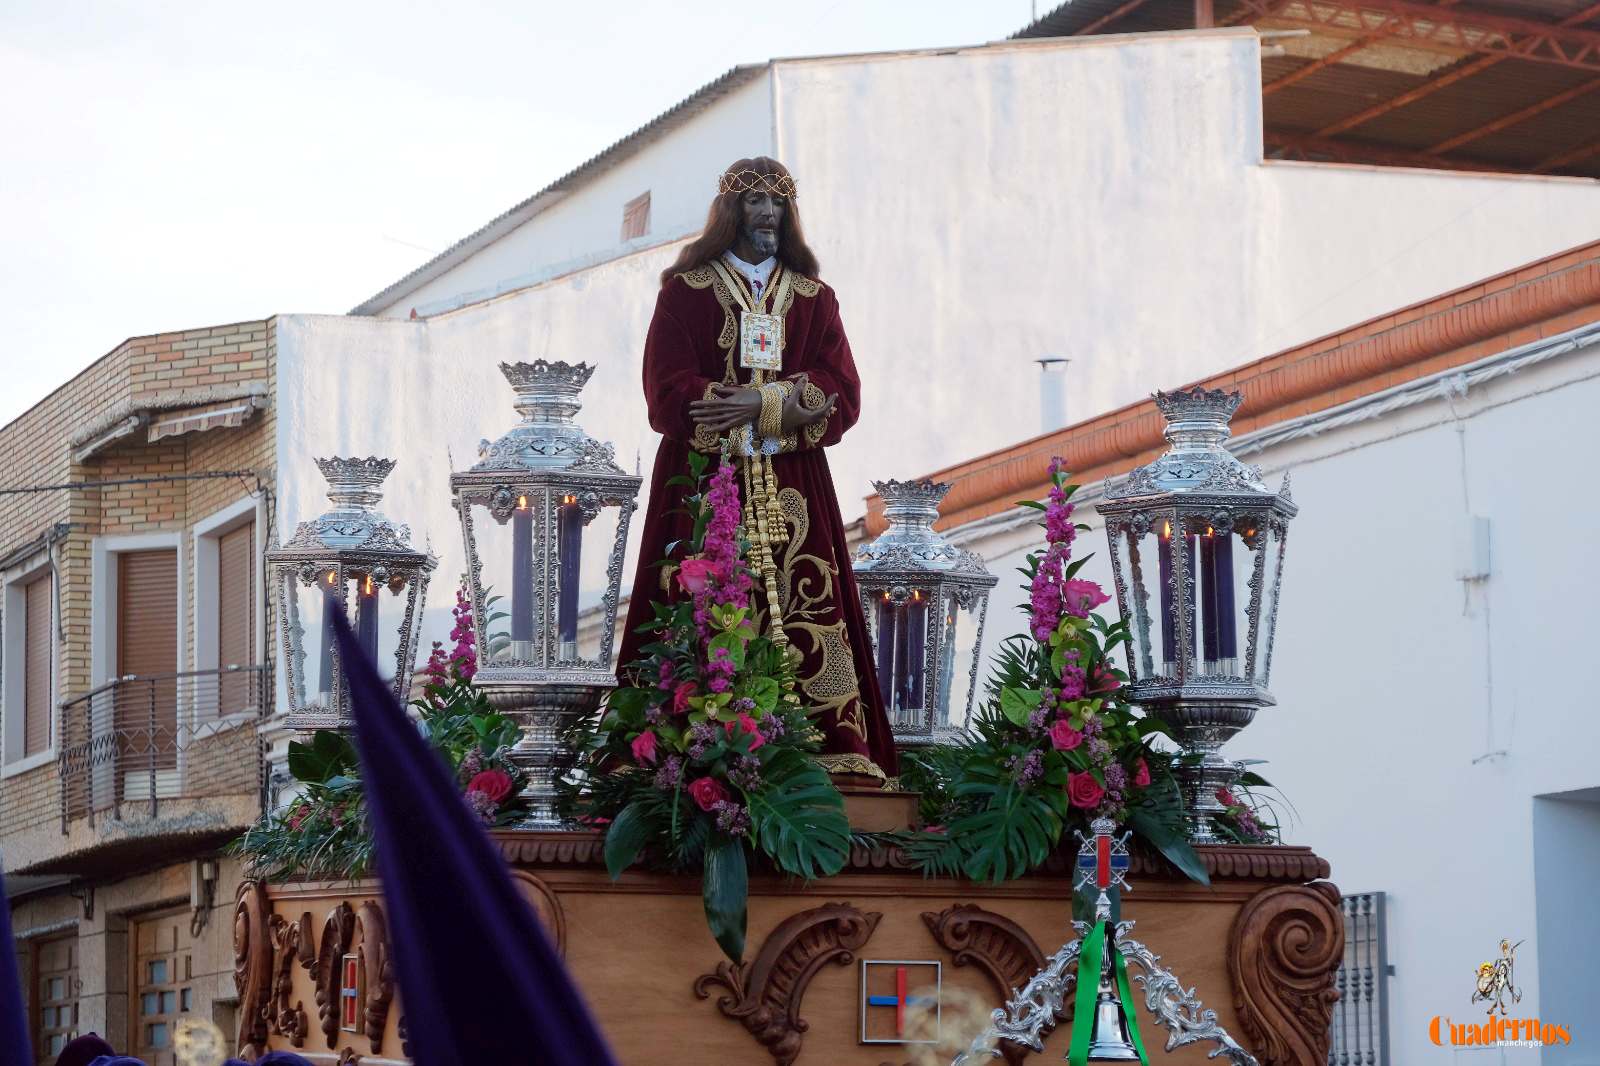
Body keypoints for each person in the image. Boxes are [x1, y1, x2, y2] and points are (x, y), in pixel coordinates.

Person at [619, 155, 899, 778]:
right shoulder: (685, 292)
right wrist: (736, 404)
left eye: (776, 202)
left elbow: (842, 388)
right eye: (753, 201)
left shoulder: (813, 299)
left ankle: (830, 757)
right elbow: (665, 388)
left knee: (811, 603)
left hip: (794, 481)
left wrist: (767, 402)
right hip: (703, 478)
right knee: (695, 600)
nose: (766, 212)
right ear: (730, 213)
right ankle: (678, 754)